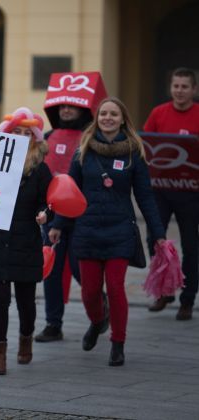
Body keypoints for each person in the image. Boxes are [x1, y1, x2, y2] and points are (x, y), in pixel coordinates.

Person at [49, 97, 166, 367]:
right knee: (90, 292)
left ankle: (118, 343)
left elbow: (146, 197)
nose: (108, 118)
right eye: (103, 114)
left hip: (119, 230)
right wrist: (57, 225)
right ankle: (98, 320)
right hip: (87, 229)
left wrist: (158, 233)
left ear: (123, 119)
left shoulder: (133, 152)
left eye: (114, 114)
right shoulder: (84, 150)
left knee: (114, 287)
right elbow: (69, 191)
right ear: (97, 118)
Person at [0, 107, 51, 375]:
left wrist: (45, 214)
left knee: (26, 300)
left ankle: (25, 341)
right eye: (15, 132)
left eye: (26, 133)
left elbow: (48, 201)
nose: (20, 137)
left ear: (34, 138)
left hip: (25, 241)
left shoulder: (41, 169)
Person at [143, 67, 199, 320]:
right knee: (155, 240)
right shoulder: (158, 112)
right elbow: (146, 145)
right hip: (160, 190)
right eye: (176, 86)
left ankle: (187, 300)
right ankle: (164, 291)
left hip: (191, 192)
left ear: (194, 89)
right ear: (171, 88)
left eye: (185, 86)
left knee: (191, 246)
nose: (179, 91)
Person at [36, 104, 93, 342]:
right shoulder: (47, 138)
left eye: (73, 107)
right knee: (52, 270)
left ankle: (100, 309)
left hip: (82, 215)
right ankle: (53, 324)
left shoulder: (90, 140)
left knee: (83, 270)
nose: (67, 111)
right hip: (52, 214)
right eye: (63, 107)